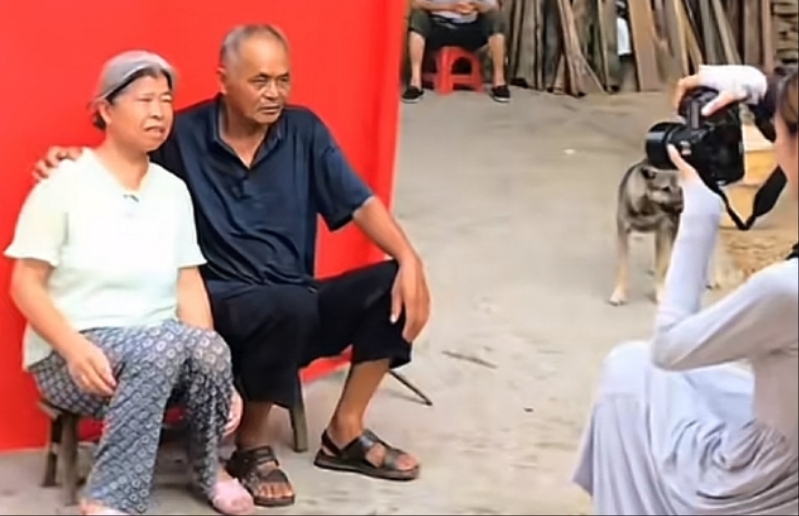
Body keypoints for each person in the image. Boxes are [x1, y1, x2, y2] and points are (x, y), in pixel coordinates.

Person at [33, 25, 431, 508]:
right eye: (260, 81)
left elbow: (359, 202)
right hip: (222, 307)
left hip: (295, 300)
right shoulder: (184, 135)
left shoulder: (304, 131)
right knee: (283, 305)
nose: (274, 93)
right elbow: (123, 152)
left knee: (388, 284)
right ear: (224, 80)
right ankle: (250, 448)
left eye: (283, 80)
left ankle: (344, 431)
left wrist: (407, 258)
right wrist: (74, 159)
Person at [6, 51, 254, 516]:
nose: (158, 112)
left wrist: (219, 377)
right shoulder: (62, 184)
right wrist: (74, 349)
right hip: (76, 357)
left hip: (157, 350)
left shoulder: (172, 191)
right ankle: (109, 496)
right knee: (159, 349)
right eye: (144, 100)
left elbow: (187, 284)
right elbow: (25, 285)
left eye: (165, 100)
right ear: (106, 109)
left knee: (208, 347)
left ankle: (209, 468)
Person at [573, 64, 798, 515]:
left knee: (631, 368)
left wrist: (700, 214)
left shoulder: (784, 290)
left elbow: (670, 349)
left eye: (776, 135)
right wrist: (757, 87)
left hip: (767, 482)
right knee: (703, 383)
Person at [404, 0, 510, 103]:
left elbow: (494, 7)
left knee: (495, 18)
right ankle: (415, 83)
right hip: (439, 26)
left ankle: (499, 82)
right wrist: (450, 7)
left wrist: (477, 5)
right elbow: (416, 3)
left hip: (471, 29)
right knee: (418, 17)